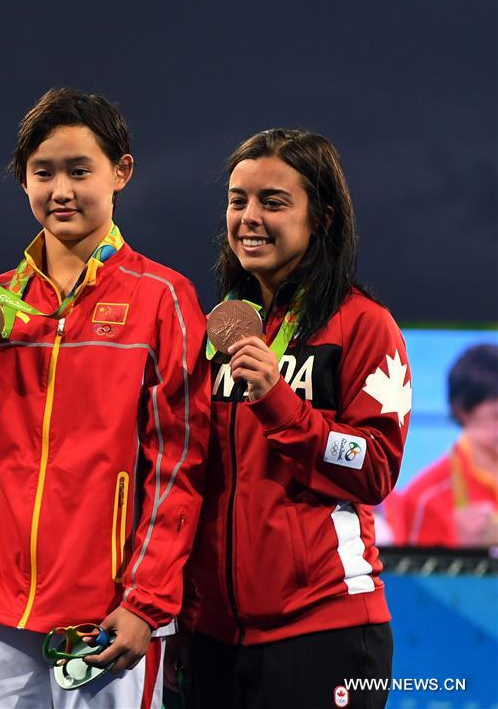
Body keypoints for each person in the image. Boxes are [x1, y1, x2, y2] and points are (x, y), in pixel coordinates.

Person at [0, 88, 209, 708]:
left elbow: (180, 466)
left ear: (121, 173)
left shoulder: (163, 299)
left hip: (110, 609)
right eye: (43, 173)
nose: (61, 190)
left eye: (80, 171)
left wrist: (146, 600)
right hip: (2, 601)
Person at [177, 129, 411, 709]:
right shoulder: (220, 329)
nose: (249, 218)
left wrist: (280, 402)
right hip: (212, 636)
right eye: (238, 200)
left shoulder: (362, 325)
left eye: (273, 202)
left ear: (322, 217)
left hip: (325, 626)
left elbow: (375, 467)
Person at [400, 343, 498, 547]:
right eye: (496, 416)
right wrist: (457, 545)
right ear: (463, 411)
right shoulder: (424, 497)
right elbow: (409, 577)